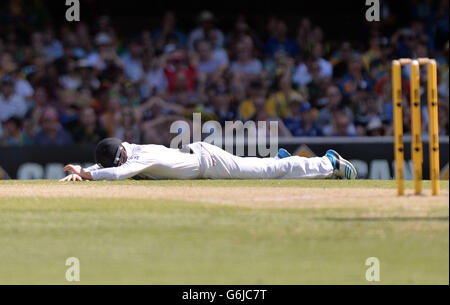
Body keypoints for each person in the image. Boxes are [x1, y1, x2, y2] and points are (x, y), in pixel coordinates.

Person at [59, 137, 357, 181]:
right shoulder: (127, 150)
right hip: (201, 155)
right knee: (260, 167)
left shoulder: (141, 158)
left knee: (266, 171)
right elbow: (111, 166)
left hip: (209, 163)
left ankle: (329, 163)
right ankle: (284, 159)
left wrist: (87, 175)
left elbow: (119, 173)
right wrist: (83, 171)